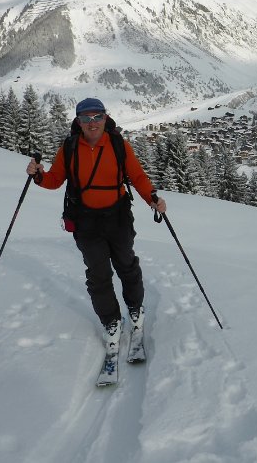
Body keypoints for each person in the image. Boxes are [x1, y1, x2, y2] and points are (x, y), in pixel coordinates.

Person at [26, 97, 166, 353]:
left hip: (118, 216)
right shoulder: (69, 148)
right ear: (78, 121)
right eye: (86, 118)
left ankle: (135, 308)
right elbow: (55, 179)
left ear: (105, 117)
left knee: (126, 264)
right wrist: (38, 175)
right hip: (86, 220)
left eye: (97, 117)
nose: (92, 123)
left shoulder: (117, 145)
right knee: (98, 274)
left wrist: (153, 198)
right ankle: (111, 321)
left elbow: (136, 176)